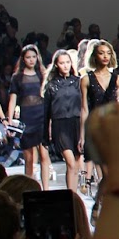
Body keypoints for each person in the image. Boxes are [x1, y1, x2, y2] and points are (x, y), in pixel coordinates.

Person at [7, 44, 51, 189]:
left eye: (33, 57)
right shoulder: (17, 77)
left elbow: (47, 97)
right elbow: (13, 99)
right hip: (26, 118)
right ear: (23, 59)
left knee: (44, 155)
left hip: (41, 116)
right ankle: (29, 190)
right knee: (29, 157)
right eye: (28, 57)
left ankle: (46, 189)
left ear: (37, 58)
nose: (31, 60)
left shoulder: (42, 75)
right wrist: (9, 121)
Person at [80, 40, 119, 192]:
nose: (105, 56)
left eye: (108, 53)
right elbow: (84, 109)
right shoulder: (86, 79)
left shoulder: (117, 79)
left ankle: (100, 200)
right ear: (94, 56)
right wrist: (82, 135)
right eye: (101, 53)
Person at [44, 49, 84, 195]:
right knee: (71, 163)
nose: (65, 65)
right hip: (60, 125)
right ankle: (71, 196)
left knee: (76, 164)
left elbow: (85, 105)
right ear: (56, 65)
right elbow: (46, 112)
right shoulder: (51, 85)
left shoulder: (78, 82)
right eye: (62, 63)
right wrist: (45, 136)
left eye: (67, 62)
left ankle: (74, 196)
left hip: (77, 124)